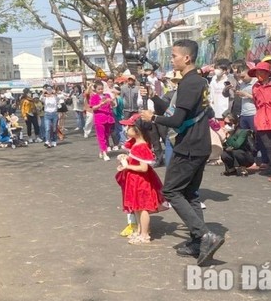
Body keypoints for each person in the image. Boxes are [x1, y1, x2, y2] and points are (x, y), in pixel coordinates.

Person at [140, 39, 222, 265]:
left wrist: (152, 118)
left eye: (175, 55)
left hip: (189, 146)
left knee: (172, 191)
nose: (171, 59)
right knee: (190, 194)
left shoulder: (190, 83)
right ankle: (198, 241)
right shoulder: (195, 81)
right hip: (197, 144)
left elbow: (175, 120)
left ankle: (205, 234)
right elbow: (178, 111)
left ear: (187, 58)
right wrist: (154, 97)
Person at [115, 114, 167, 245]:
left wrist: (127, 166)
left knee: (142, 207)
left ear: (137, 130)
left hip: (141, 181)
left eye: (129, 127)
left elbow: (143, 168)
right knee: (137, 206)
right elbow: (134, 157)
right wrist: (125, 158)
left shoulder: (141, 146)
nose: (126, 129)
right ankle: (140, 230)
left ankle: (144, 235)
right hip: (135, 180)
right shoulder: (136, 144)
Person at [90, 81, 115, 160]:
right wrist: (101, 104)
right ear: (95, 90)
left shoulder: (107, 95)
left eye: (102, 89)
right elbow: (93, 108)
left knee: (106, 135)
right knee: (101, 136)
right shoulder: (94, 97)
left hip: (108, 118)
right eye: (99, 89)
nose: (101, 90)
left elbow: (113, 105)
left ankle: (102, 150)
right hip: (99, 119)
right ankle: (104, 153)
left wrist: (111, 101)